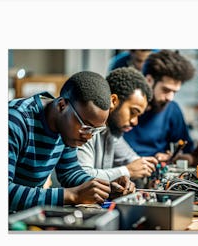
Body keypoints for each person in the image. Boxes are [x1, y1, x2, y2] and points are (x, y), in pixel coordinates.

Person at [9, 71, 135, 213]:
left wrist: (104, 188)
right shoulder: (15, 120)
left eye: (95, 130)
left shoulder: (64, 129)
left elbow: (70, 172)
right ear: (62, 105)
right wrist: (71, 195)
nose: (88, 137)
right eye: (86, 127)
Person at [77, 67, 158, 181]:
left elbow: (131, 159)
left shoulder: (112, 132)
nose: (135, 121)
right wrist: (128, 171)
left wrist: (148, 166)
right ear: (114, 101)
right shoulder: (84, 127)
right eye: (133, 112)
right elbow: (81, 176)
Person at [123, 49, 195, 163]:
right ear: (149, 80)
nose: (170, 97)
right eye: (166, 90)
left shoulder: (172, 109)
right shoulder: (122, 106)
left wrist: (176, 158)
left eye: (174, 92)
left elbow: (189, 154)